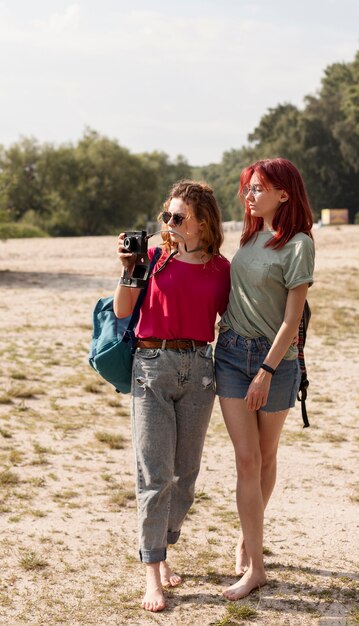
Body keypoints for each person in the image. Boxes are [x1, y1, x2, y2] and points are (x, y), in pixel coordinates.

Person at [114, 180, 230, 612]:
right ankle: (153, 573)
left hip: (200, 371)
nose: (169, 224)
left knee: (185, 478)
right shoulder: (155, 259)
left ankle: (163, 545)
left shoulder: (221, 269)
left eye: (178, 218)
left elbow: (232, 322)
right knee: (154, 476)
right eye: (166, 215)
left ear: (202, 223)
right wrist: (130, 268)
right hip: (152, 368)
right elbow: (124, 311)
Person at [214, 157, 314, 601]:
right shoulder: (249, 235)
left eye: (258, 187)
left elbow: (292, 320)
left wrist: (268, 372)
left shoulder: (298, 244)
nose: (249, 194)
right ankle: (257, 566)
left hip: (276, 362)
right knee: (247, 460)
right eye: (248, 187)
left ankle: (246, 539)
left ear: (284, 193)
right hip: (232, 355)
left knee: (267, 458)